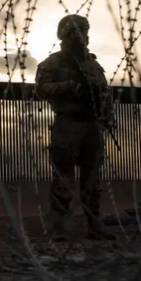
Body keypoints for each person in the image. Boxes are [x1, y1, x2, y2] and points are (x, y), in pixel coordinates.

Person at [34, 14, 116, 241]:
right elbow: (41, 89)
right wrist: (70, 87)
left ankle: (94, 225)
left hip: (92, 125)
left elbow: (104, 93)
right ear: (64, 36)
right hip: (68, 124)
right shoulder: (53, 63)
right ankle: (58, 228)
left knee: (92, 180)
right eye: (75, 34)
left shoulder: (93, 65)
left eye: (83, 33)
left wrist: (107, 115)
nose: (81, 38)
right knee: (63, 179)